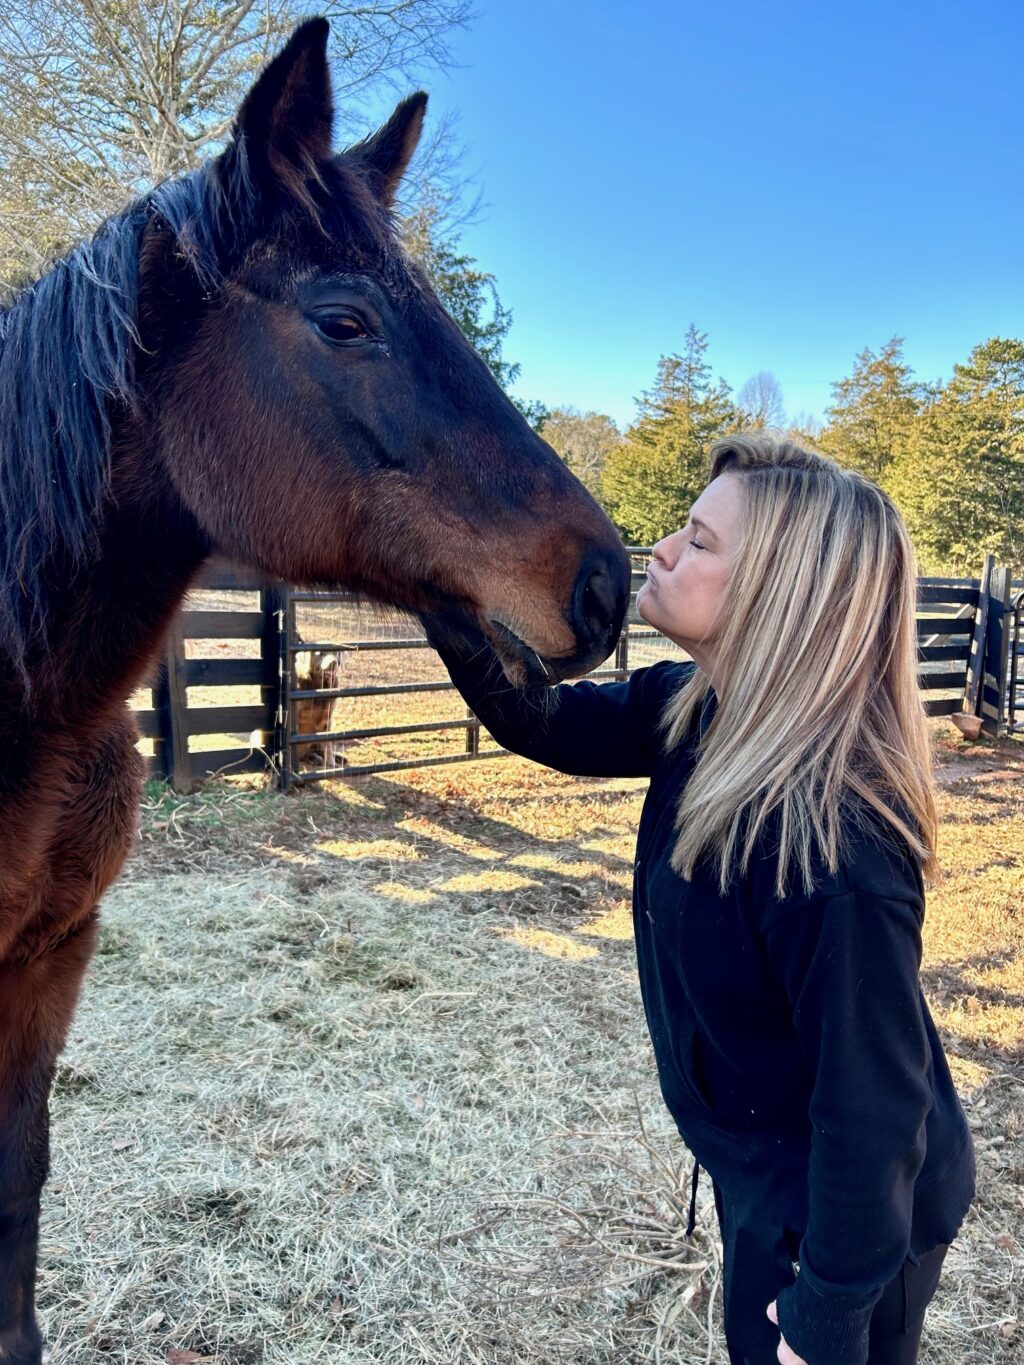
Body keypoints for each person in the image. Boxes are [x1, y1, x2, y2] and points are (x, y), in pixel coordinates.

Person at [423, 434, 976, 1365]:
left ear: (780, 593)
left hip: (845, 1219)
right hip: (762, 1170)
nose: (663, 551)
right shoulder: (698, 708)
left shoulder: (834, 844)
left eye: (700, 540)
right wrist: (433, 575)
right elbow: (541, 719)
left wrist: (830, 1315)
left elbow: (874, 1107)